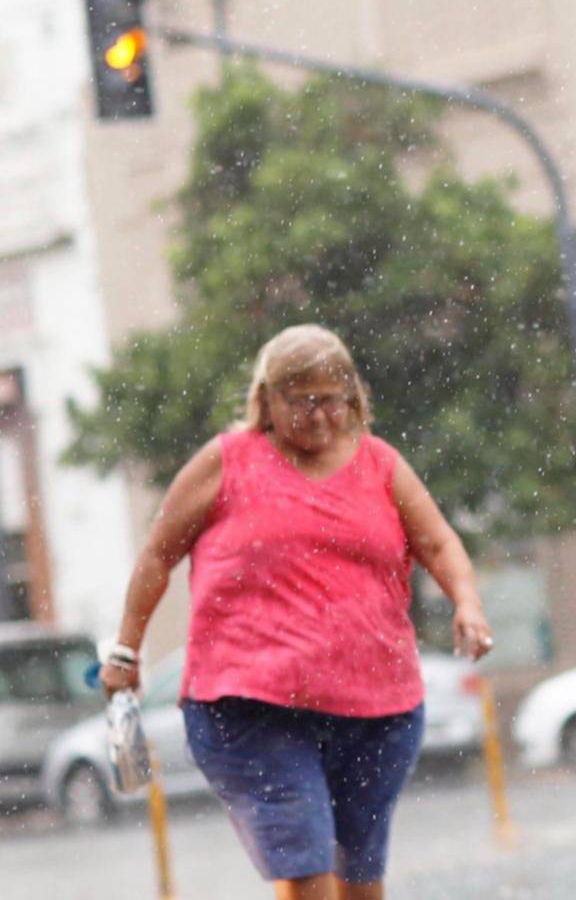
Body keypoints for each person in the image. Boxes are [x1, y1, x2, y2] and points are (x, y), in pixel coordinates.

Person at [99, 324, 494, 900]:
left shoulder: (381, 464)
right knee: (308, 865)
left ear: (352, 397)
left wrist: (469, 604)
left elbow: (437, 542)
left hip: (376, 704)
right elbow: (159, 554)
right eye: (300, 401)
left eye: (331, 399)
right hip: (253, 708)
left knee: (358, 870)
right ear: (267, 399)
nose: (318, 415)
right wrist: (125, 651)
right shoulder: (228, 461)